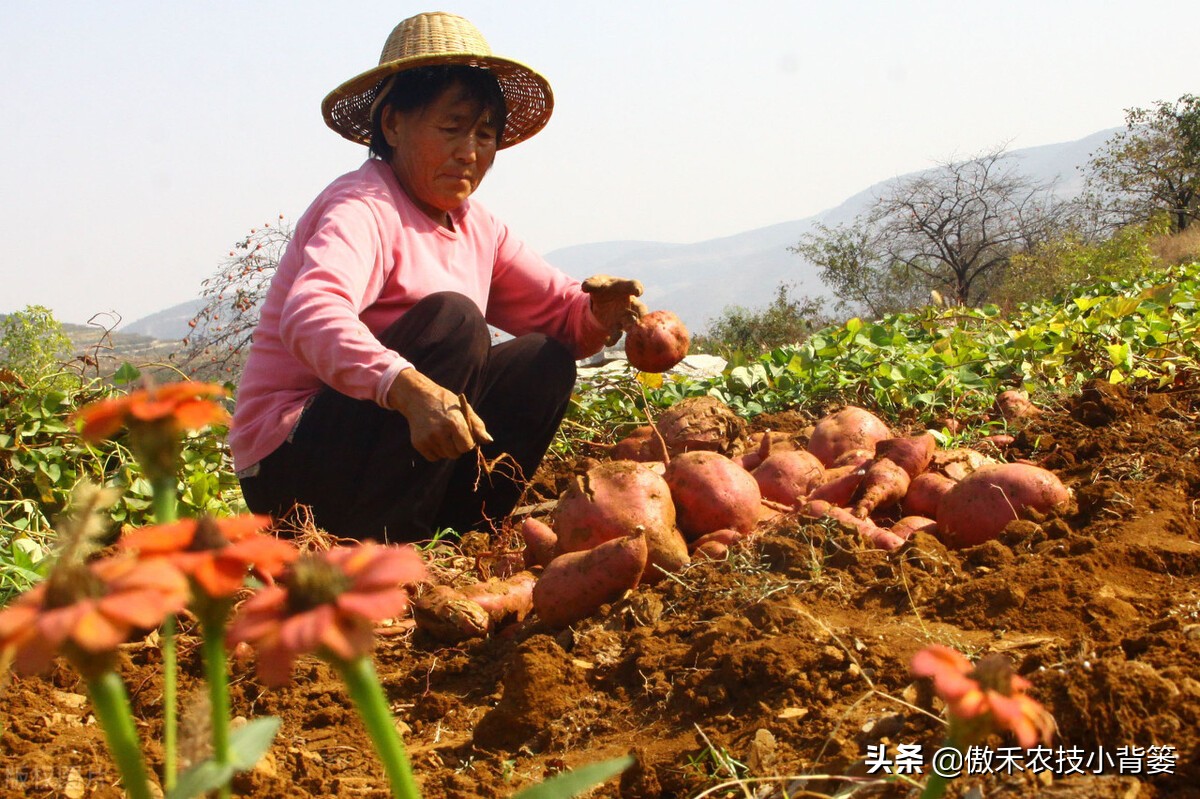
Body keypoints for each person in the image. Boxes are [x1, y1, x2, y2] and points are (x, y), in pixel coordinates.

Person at [230, 12, 646, 542]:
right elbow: (312, 316)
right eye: (451, 128)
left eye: (484, 134)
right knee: (455, 322)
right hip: (292, 472)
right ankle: (380, 551)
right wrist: (404, 387)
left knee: (543, 361)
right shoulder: (363, 207)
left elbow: (559, 312)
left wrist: (603, 311)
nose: (469, 151)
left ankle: (454, 535)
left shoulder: (478, 226)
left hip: (378, 463)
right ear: (393, 124)